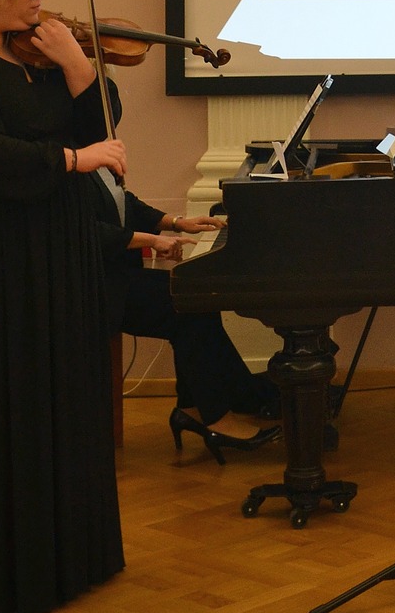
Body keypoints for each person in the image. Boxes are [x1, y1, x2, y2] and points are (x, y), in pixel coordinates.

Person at [0, 0, 214, 613]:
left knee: (63, 393)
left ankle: (72, 558)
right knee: (6, 397)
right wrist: (75, 160)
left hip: (55, 244)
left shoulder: (41, 52)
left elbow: (98, 130)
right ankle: (2, 573)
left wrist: (80, 68)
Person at [94, 179, 280, 456]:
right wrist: (153, 240)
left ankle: (194, 407)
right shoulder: (74, 165)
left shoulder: (95, 162)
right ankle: (219, 416)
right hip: (93, 287)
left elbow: (124, 202)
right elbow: (87, 231)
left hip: (116, 275)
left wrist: (178, 223)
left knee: (194, 298)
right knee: (185, 303)